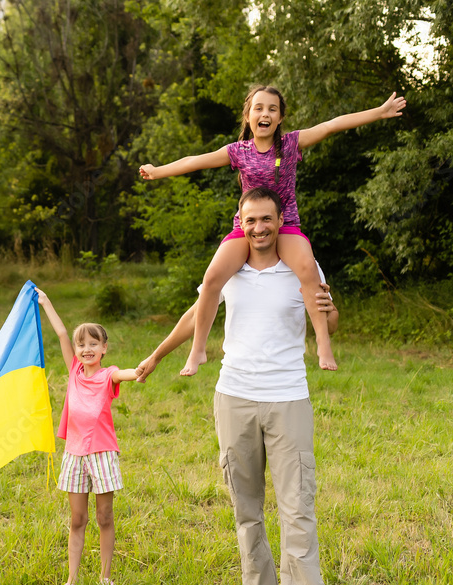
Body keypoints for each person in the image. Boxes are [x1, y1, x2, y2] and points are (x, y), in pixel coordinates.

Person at [140, 188, 339, 585]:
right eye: (251, 221)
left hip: (288, 398)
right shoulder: (229, 269)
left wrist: (332, 315)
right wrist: (156, 355)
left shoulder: (301, 266)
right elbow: (197, 314)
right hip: (235, 398)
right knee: (245, 507)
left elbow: (327, 319)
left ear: (279, 218)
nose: (259, 228)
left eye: (267, 219)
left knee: (297, 508)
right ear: (240, 221)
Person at [140, 85, 404, 373]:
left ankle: (323, 344)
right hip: (248, 226)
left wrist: (378, 113)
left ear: (279, 119)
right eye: (259, 108)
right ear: (248, 116)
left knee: (307, 268)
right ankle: (198, 350)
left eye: (272, 109)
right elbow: (195, 161)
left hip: (286, 224)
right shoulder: (237, 152)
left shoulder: (290, 145)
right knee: (213, 277)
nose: (265, 113)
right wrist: (158, 170)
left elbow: (331, 125)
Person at [36, 288, 139, 585]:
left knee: (104, 516)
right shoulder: (74, 371)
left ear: (104, 348)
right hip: (75, 454)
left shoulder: (109, 375)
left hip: (102, 454)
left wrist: (146, 367)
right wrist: (46, 301)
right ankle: (71, 580)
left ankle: (106, 578)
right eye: (82, 345)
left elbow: (128, 373)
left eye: (93, 344)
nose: (86, 349)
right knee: (77, 518)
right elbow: (61, 333)